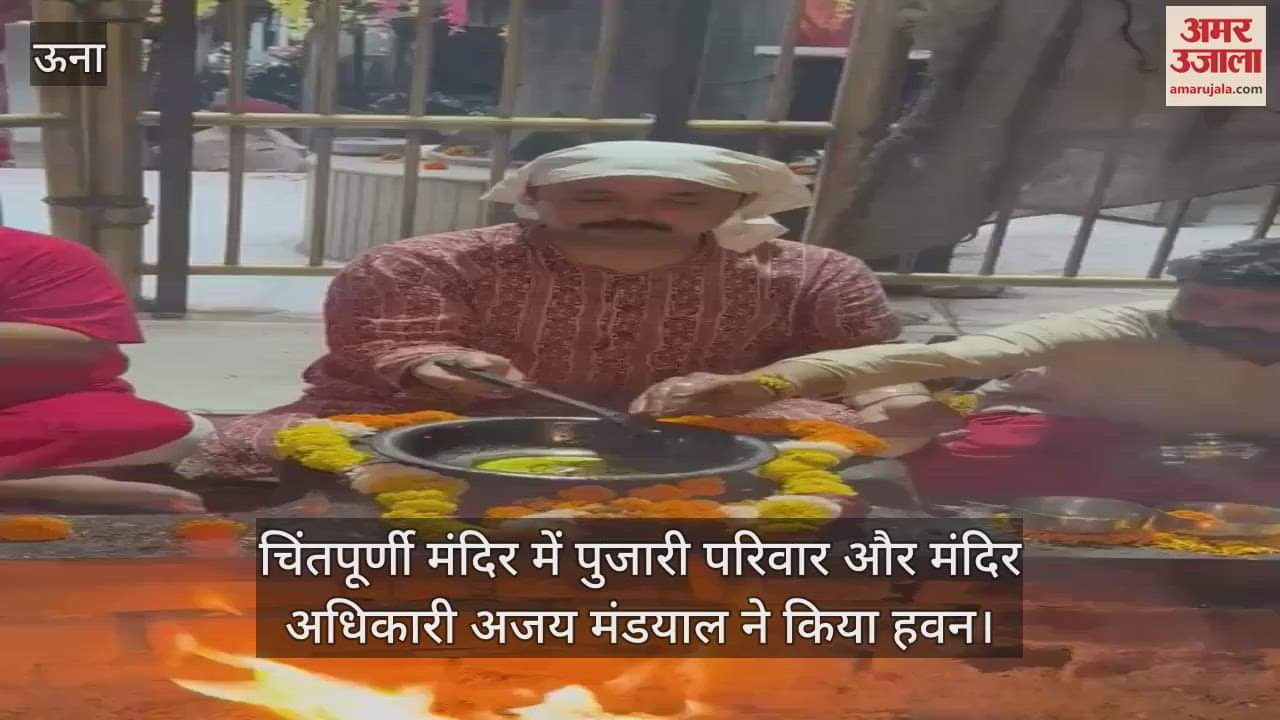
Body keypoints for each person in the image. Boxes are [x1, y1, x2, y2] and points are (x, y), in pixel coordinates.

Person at [184, 140, 959, 481]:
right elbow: (392, 348)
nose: (634, 215)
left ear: (734, 204)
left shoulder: (816, 271)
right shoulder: (423, 261)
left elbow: (870, 369)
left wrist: (897, 402)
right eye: (594, 198)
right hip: (438, 426)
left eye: (677, 202)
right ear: (536, 199)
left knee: (868, 449)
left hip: (718, 430)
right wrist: (440, 369)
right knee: (243, 450)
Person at [632, 238, 1280, 503]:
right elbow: (946, 361)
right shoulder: (1129, 328)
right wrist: (760, 385)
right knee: (904, 474)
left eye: (1250, 311)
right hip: (1062, 427)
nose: (1217, 320)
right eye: (1203, 302)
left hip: (1248, 453)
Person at [0, 226, 211, 511]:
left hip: (29, 408)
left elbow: (81, 345)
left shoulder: (43, 255)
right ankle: (24, 489)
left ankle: (24, 485)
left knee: (183, 429)